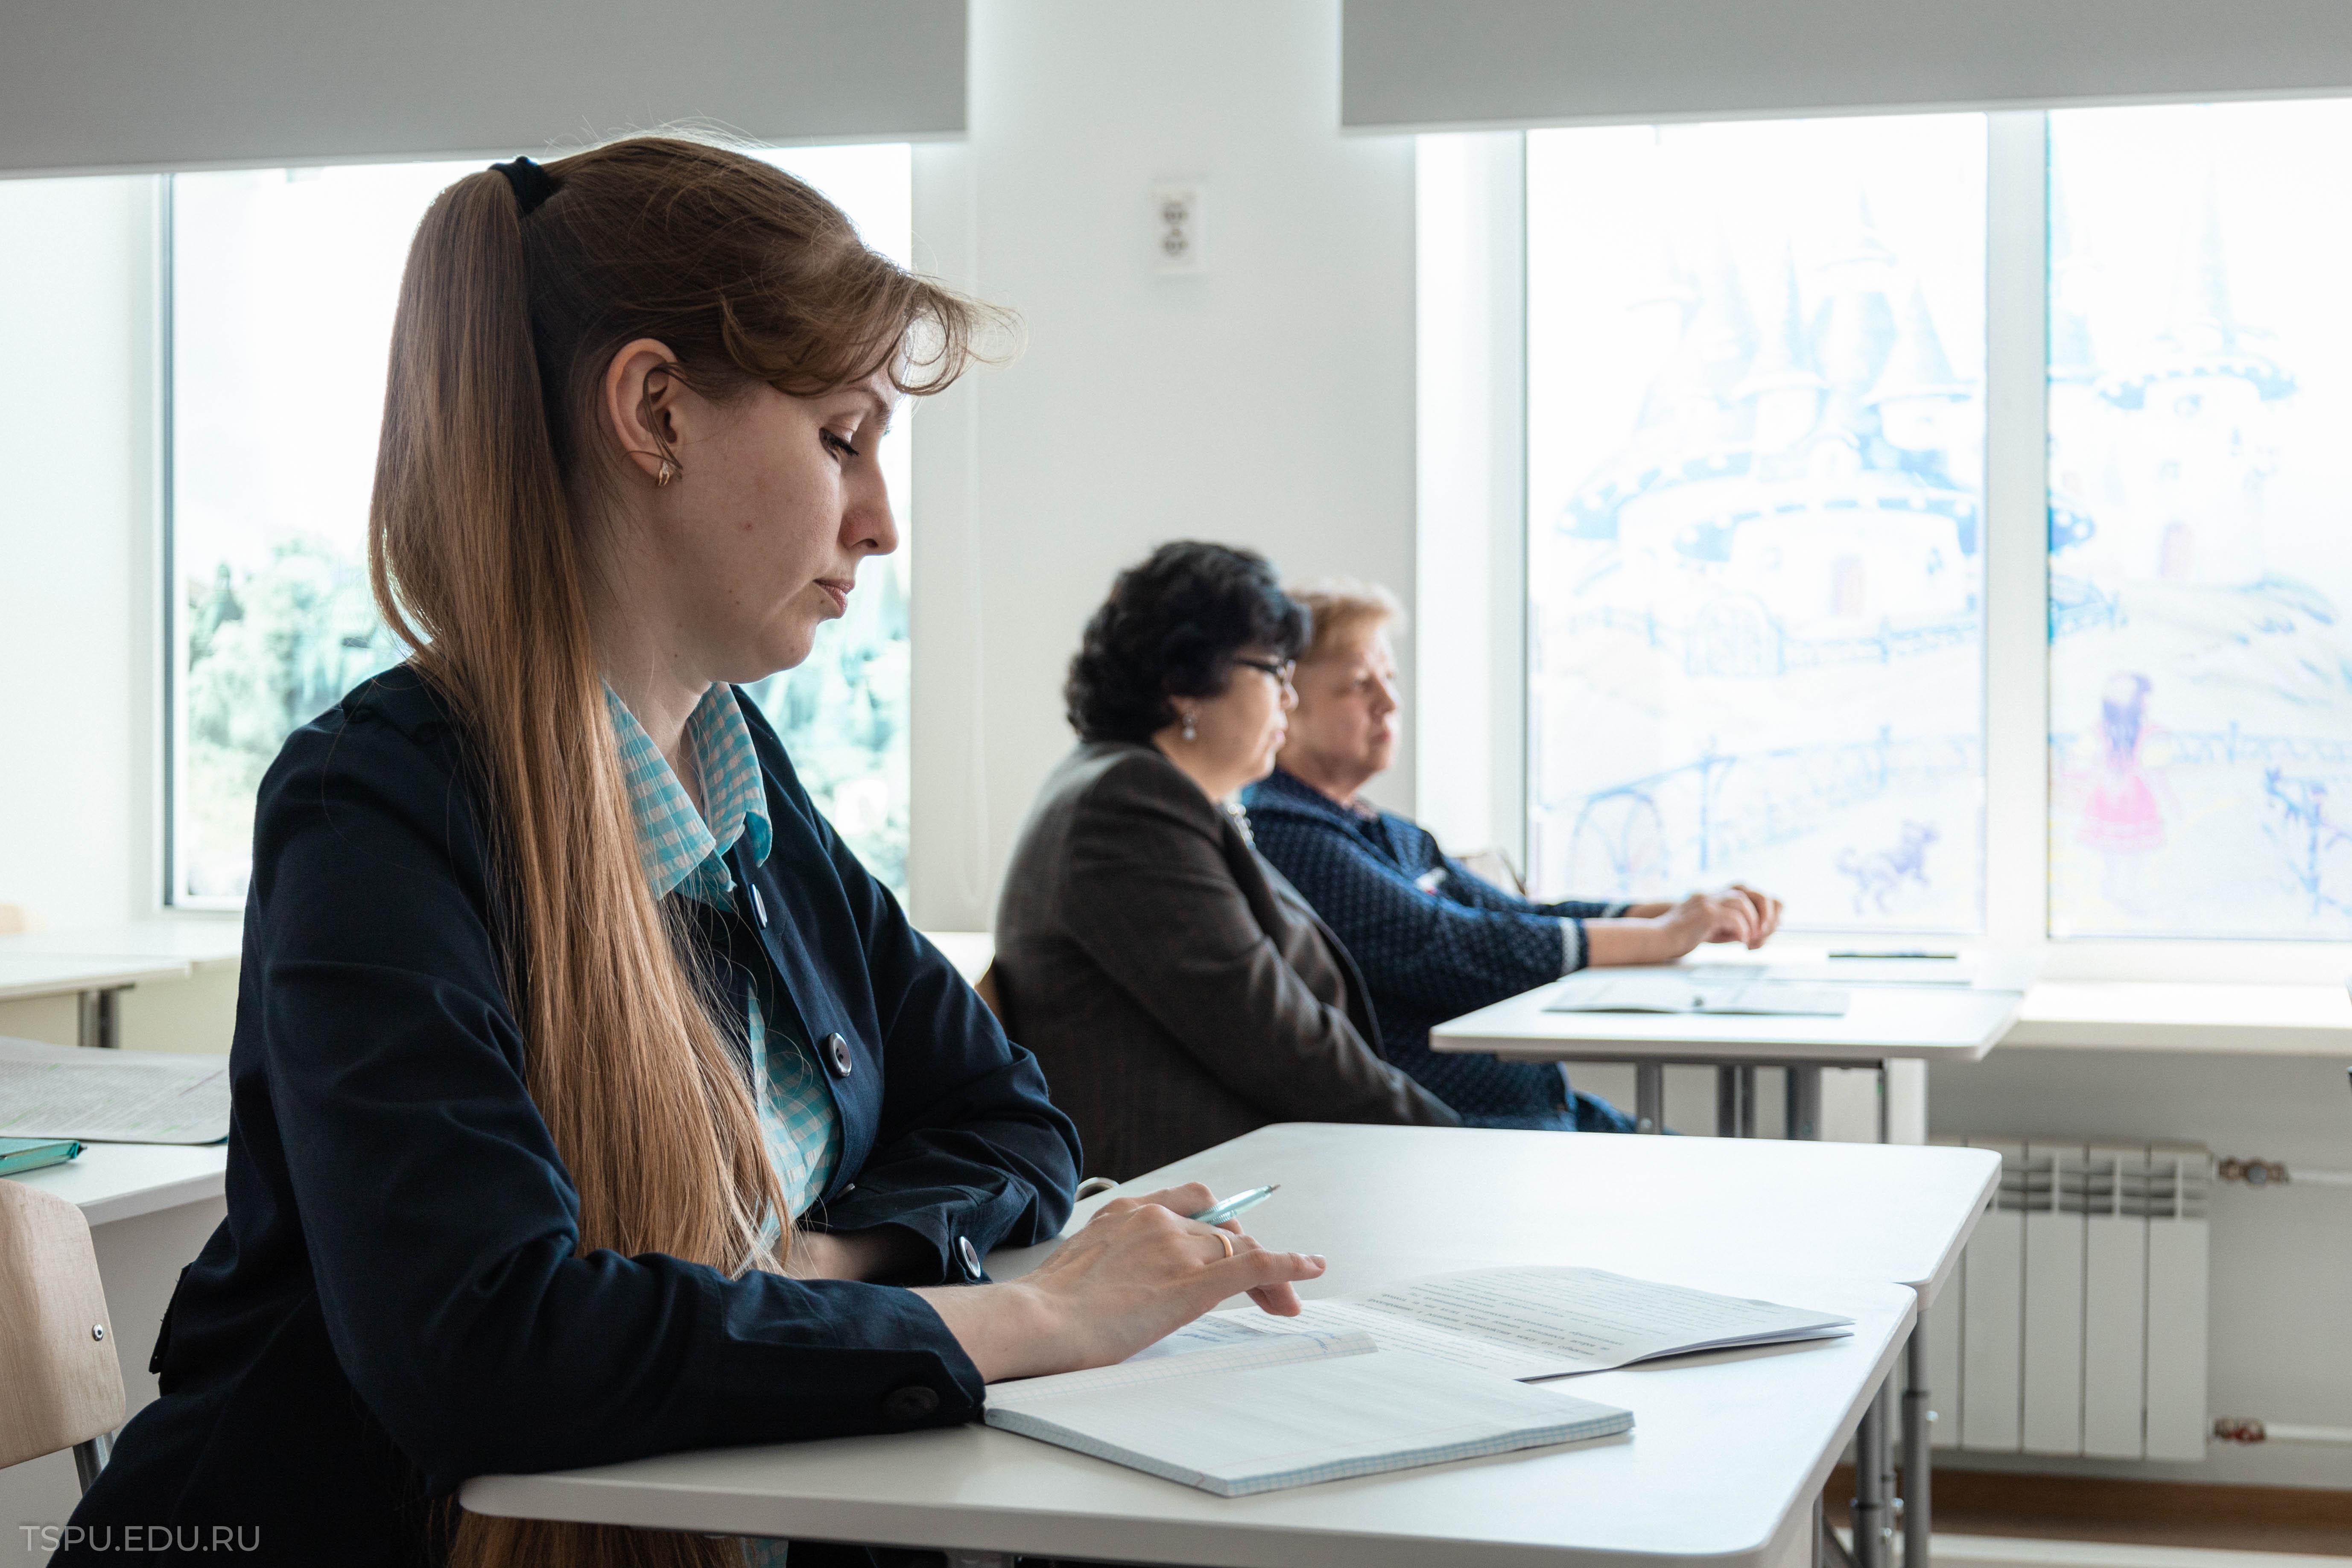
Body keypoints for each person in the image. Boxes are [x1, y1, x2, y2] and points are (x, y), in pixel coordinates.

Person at [61, 142, 1323, 1568]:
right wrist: (1025, 1315)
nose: (882, 523)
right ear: (655, 411)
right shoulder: (377, 804)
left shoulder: (736, 772)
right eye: (842, 439)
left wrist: (834, 1262)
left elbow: (1008, 1117)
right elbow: (484, 1345)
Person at [1242, 581, 1784, 1130]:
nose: (1389, 700)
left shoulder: (1388, 831)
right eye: (1359, 685)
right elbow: (1449, 947)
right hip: (1458, 1133)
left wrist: (1674, 914)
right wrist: (1665, 936)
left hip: (1533, 1112)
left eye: (1390, 678)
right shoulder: (1288, 835)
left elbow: (1517, 916)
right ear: (1286, 702)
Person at [993, 543, 1459, 1179]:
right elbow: (1280, 1043)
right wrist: (1455, 1141)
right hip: (1200, 1201)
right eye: (1274, 670)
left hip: (1252, 1173)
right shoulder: (1127, 807)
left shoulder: (1151, 791)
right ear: (1186, 682)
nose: (1288, 701)